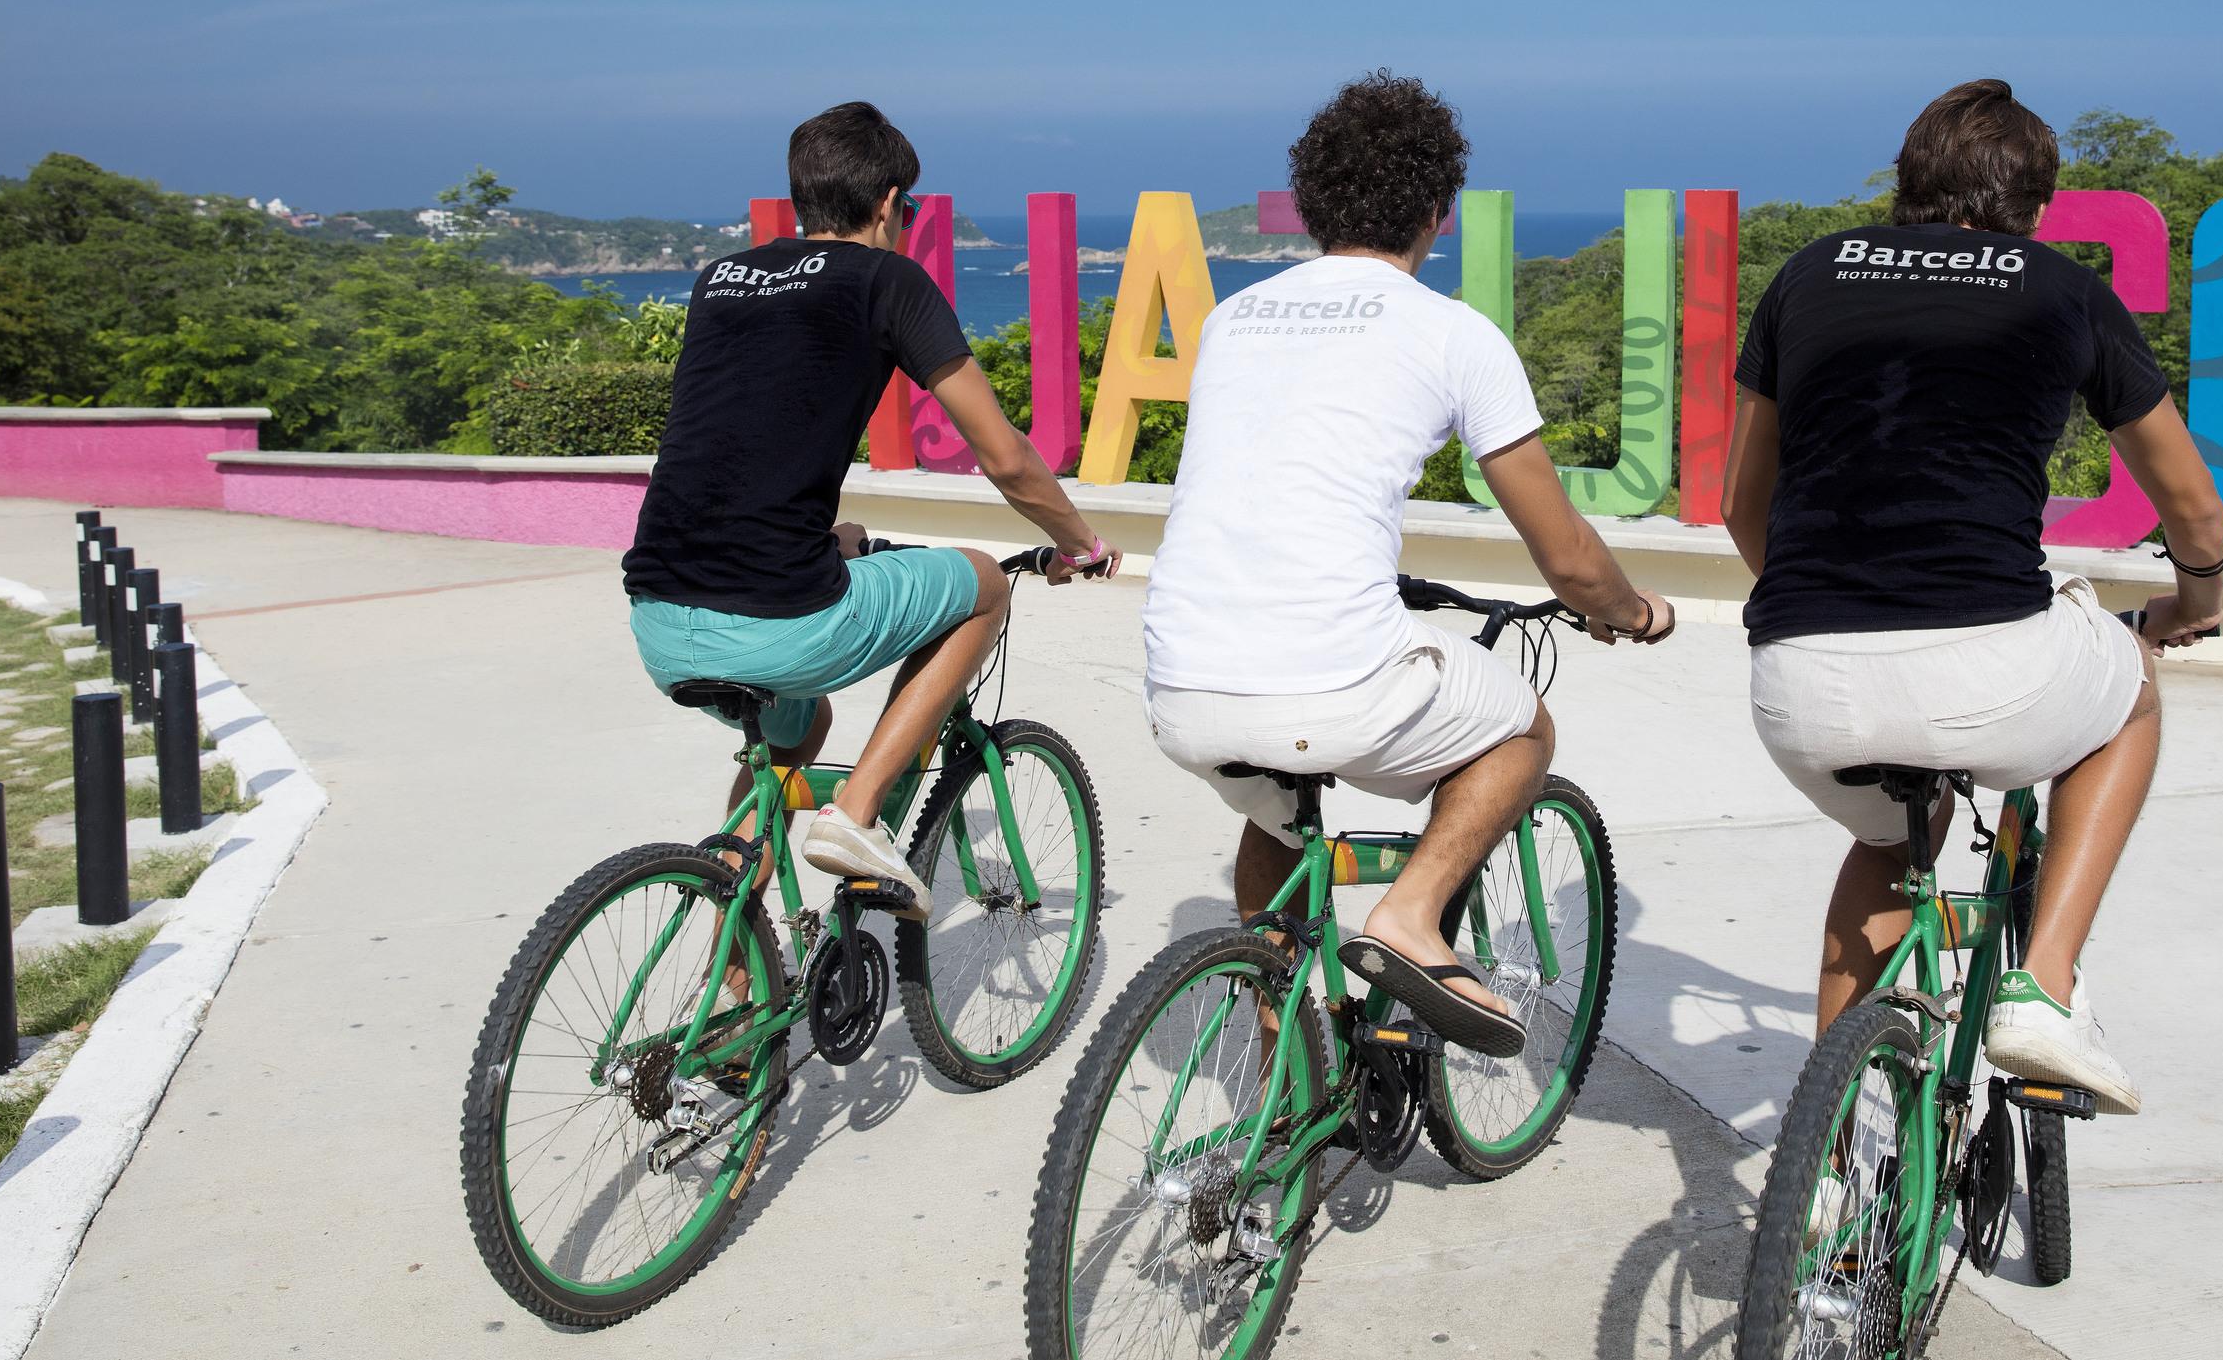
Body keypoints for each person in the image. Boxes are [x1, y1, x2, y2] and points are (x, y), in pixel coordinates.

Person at [1140, 71, 1674, 1057]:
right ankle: (1412, 914)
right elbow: (1565, 555)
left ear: (1311, 204)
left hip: (1180, 682)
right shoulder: (1452, 333)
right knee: (1522, 729)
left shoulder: (1231, 319)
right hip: (1330, 679)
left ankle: (1280, 1046)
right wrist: (1631, 610)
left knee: (1281, 816)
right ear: (1439, 212)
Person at [1720, 78, 2223, 1112]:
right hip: (1988, 664)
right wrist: (2195, 601)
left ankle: (1834, 1149)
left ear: (1907, 183)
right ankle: (2042, 984)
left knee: (1883, 836)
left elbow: (1742, 509)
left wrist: (1834, 606)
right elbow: (2193, 507)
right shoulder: (2064, 289)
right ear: (2036, 203)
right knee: (2127, 689)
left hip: (1798, 684)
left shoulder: (1807, 274)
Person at [622, 101, 1120, 915]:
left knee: (796, 730)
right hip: (779, 619)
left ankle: (737, 967)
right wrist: (1080, 544)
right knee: (982, 584)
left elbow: (731, 445)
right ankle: (855, 814)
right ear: (889, 202)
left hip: (657, 616)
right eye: (910, 208)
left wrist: (830, 540)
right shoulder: (887, 280)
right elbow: (1005, 457)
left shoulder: (721, 280)